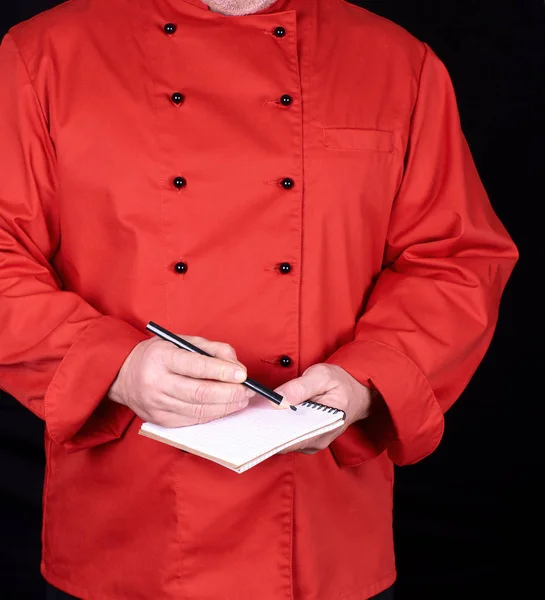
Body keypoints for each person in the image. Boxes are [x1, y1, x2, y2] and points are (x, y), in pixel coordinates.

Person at [0, 0, 518, 598]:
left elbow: (456, 260)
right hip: (125, 533)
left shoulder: (398, 63)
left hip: (323, 537)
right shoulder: (45, 54)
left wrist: (367, 380)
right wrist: (113, 367)